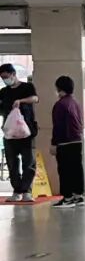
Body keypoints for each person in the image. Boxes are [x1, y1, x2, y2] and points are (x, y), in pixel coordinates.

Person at [0, 62, 39, 202]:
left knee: (28, 161)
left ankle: (26, 190)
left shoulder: (27, 87)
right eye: (2, 78)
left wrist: (20, 101)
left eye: (6, 76)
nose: (5, 79)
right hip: (10, 133)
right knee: (12, 162)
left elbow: (35, 98)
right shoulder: (3, 92)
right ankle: (17, 190)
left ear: (13, 74)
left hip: (26, 131)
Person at [51, 76, 85, 208]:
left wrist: (54, 143)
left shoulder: (60, 105)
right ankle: (78, 195)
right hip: (77, 140)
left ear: (59, 88)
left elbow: (58, 126)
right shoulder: (75, 103)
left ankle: (68, 197)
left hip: (65, 141)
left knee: (65, 170)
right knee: (76, 169)